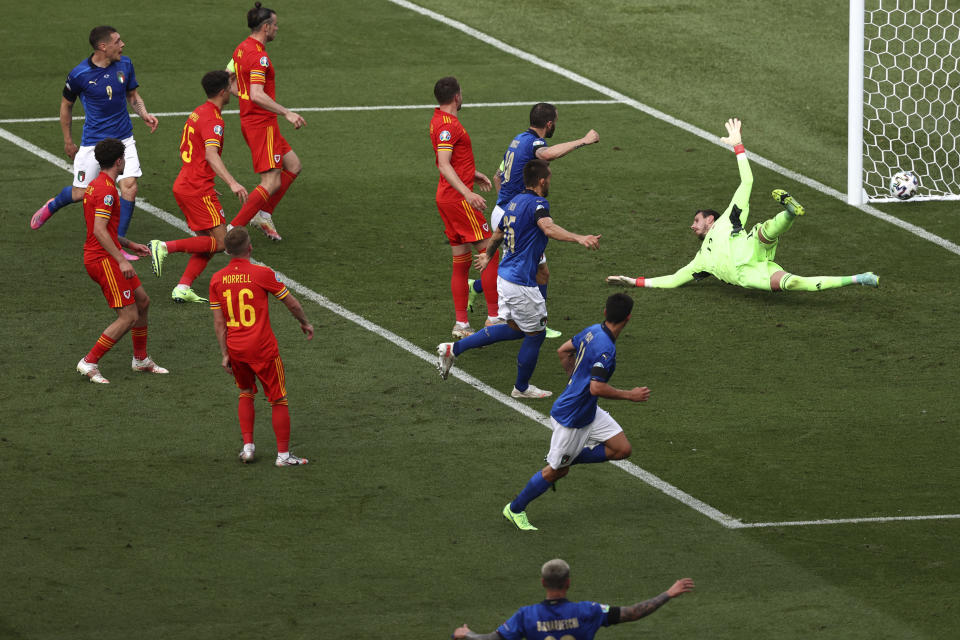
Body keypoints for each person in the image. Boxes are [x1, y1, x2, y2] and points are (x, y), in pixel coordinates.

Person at [606, 118, 880, 293]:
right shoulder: (701, 262)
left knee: (764, 232)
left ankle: (789, 211)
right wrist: (634, 281)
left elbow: (747, 181)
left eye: (696, 220)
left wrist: (738, 146)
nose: (692, 226)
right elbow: (674, 279)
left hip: (749, 245)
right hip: (750, 274)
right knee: (796, 283)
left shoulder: (727, 219)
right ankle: (859, 278)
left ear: (710, 219)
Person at [436, 159, 601, 399]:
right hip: (520, 283)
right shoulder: (538, 205)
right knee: (537, 334)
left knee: (515, 330)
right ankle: (521, 388)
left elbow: (497, 234)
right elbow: (548, 228)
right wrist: (579, 238)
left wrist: (487, 256)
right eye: (549, 180)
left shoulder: (513, 203)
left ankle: (454, 349)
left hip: (505, 277)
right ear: (542, 181)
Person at [501, 293, 647, 530]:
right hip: (572, 418)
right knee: (554, 472)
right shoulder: (606, 350)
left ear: (604, 312)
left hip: (586, 410)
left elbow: (563, 350)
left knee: (622, 449)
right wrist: (630, 395)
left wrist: (574, 378)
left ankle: (568, 457)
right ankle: (515, 509)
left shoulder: (593, 331)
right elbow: (596, 387)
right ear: (628, 318)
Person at [468, 103, 600, 339]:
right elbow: (547, 154)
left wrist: (509, 204)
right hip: (515, 216)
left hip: (506, 210)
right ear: (549, 124)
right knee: (532, 272)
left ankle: (480, 291)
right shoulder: (533, 144)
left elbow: (499, 176)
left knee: (530, 268)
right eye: (555, 122)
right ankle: (505, 320)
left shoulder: (517, 140)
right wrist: (583, 140)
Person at [32, 25, 159, 260]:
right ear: (103, 46)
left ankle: (116, 243)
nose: (122, 45)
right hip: (93, 142)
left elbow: (132, 96)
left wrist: (144, 114)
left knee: (129, 186)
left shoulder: (125, 65)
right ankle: (53, 204)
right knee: (81, 193)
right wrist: (68, 140)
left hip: (123, 138)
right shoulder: (79, 74)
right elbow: (66, 105)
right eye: (117, 41)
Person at [209, 227, 313, 466]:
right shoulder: (262, 273)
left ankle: (248, 449)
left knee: (245, 392)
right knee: (278, 399)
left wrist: (225, 353)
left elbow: (218, 321)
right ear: (250, 247)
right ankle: (284, 456)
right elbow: (292, 304)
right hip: (263, 349)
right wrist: (304, 322)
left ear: (227, 251)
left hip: (236, 348)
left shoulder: (217, 279)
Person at [147, 70, 249, 304]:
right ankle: (163, 247)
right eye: (230, 86)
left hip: (188, 183)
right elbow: (211, 155)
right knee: (223, 242)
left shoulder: (198, 112)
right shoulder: (214, 120)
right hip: (197, 188)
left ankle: (183, 287)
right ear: (223, 92)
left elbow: (193, 151)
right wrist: (232, 182)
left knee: (207, 242)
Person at [76, 138, 167, 384]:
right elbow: (99, 230)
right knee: (128, 316)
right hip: (103, 259)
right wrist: (122, 259)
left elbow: (106, 229)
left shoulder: (97, 185)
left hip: (107, 253)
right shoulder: (106, 191)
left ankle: (140, 359)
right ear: (118, 161)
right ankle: (89, 361)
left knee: (143, 302)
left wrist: (128, 244)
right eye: (124, 158)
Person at [451, 558, 694, 640]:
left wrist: (467, 634)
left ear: (543, 582)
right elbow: (633, 613)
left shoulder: (526, 616)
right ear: (568, 582)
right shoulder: (588, 611)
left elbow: (492, 639)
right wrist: (668, 594)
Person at [227, 2, 305, 242]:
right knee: (270, 181)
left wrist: (241, 95)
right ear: (266, 27)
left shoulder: (241, 48)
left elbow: (228, 78)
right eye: (275, 25)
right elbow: (258, 94)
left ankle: (264, 213)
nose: (277, 29)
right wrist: (287, 113)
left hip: (257, 121)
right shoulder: (259, 57)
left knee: (293, 165)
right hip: (262, 124)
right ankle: (232, 231)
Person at [430, 76, 498, 339]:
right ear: (456, 96)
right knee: (490, 251)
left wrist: (473, 174)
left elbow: (451, 161)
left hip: (447, 197)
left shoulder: (438, 120)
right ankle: (495, 318)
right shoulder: (449, 126)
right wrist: (467, 192)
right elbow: (444, 164)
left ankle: (461, 324)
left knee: (461, 261)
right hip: (458, 199)